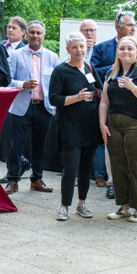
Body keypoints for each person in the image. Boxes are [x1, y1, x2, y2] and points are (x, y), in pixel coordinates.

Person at [99, 36, 137, 222]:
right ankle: (123, 206)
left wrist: (133, 87)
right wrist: (102, 124)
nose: (126, 52)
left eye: (130, 48)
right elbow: (104, 101)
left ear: (136, 51)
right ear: (117, 51)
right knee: (118, 166)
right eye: (122, 48)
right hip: (114, 125)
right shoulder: (111, 72)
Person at [49, 33, 100, 221]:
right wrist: (76, 98)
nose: (79, 50)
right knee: (71, 167)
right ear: (68, 50)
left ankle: (82, 203)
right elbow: (54, 99)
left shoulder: (89, 67)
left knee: (86, 168)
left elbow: (99, 90)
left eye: (81, 46)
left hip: (90, 125)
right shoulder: (61, 70)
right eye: (75, 47)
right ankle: (64, 206)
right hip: (70, 126)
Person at [4, 20, 58, 194]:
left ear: (44, 35)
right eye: (32, 32)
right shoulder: (15, 55)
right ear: (26, 34)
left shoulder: (52, 56)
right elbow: (7, 81)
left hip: (44, 107)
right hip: (21, 107)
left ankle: (37, 179)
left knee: (39, 145)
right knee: (15, 145)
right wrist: (22, 84)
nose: (35, 35)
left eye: (39, 33)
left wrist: (55, 105)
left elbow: (56, 83)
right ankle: (13, 180)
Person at [91, 11, 136, 196]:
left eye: (134, 25)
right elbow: (93, 71)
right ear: (118, 26)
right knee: (111, 144)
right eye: (130, 25)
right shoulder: (102, 48)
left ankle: (132, 185)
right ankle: (112, 183)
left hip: (133, 104)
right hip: (110, 101)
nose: (134, 28)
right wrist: (115, 66)